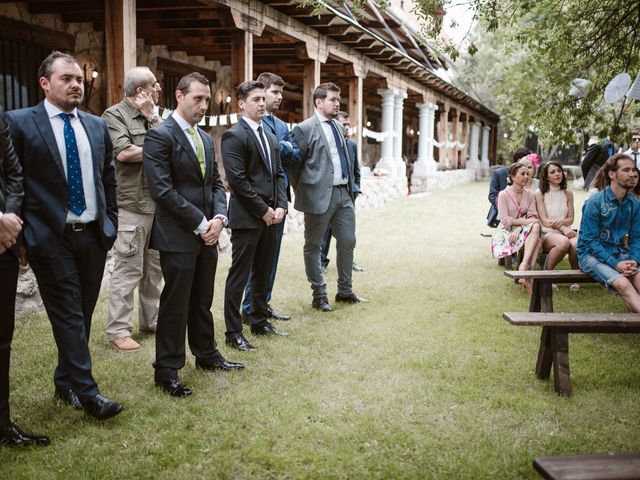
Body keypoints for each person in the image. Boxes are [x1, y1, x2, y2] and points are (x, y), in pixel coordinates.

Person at [6, 51, 123, 420]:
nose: (76, 84)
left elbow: (108, 179)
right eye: (67, 78)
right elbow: (14, 181)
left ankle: (64, 382)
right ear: (45, 83)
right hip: (49, 237)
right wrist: (21, 234)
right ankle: (89, 394)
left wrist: (112, 222)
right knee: (69, 314)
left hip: (93, 234)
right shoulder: (20, 123)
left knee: (83, 312)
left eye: (79, 79)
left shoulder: (95, 126)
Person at [143, 72, 243, 398]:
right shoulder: (160, 136)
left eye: (206, 99)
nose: (204, 105)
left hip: (208, 234)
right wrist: (200, 223)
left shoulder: (204, 137)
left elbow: (215, 183)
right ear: (179, 95)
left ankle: (206, 354)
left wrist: (219, 218)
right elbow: (162, 190)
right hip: (177, 235)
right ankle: (167, 370)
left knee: (202, 299)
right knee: (175, 303)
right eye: (197, 98)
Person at [221, 81, 289, 351]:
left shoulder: (271, 136)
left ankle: (259, 320)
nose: (262, 103)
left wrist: (281, 205)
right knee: (239, 275)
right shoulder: (234, 136)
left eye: (264, 98)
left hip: (273, 216)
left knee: (263, 272)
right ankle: (233, 332)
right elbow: (237, 181)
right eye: (256, 99)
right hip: (248, 218)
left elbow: (279, 174)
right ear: (241, 104)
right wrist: (263, 211)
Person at [102, 66, 163, 352]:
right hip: (131, 204)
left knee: (154, 269)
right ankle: (118, 331)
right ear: (142, 91)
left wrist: (153, 118)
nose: (159, 89)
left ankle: (151, 321)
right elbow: (124, 153)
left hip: (158, 204)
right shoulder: (113, 115)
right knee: (128, 268)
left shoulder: (154, 116)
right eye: (155, 85)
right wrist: (159, 147)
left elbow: (173, 143)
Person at [291, 83, 366, 312]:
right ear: (319, 102)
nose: (337, 103)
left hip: (344, 194)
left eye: (338, 99)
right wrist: (306, 189)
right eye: (333, 99)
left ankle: (345, 290)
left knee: (347, 240)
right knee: (313, 245)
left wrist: (351, 189)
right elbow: (295, 165)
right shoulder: (304, 129)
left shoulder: (337, 126)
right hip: (318, 196)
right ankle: (319, 295)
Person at [0, 107, 50, 446]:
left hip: (3, 239)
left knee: (2, 338)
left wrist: (9, 219)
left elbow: (14, 172)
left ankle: (2, 423)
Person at [240, 72, 300, 323]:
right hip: (257, 200)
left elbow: (295, 155)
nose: (279, 98)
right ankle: (248, 306)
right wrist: (282, 147)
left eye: (280, 94)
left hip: (280, 199)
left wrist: (281, 146)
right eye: (275, 92)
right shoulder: (251, 122)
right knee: (254, 257)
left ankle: (263, 302)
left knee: (271, 256)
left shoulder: (282, 125)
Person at [578, 154, 640, 311]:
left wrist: (635, 260)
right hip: (590, 255)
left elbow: (636, 237)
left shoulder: (634, 203)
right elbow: (589, 241)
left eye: (634, 170)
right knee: (623, 284)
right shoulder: (595, 202)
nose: (632, 174)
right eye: (626, 170)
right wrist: (615, 264)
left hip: (620, 252)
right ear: (612, 174)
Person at [320, 111, 363, 273]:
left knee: (347, 232)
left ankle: (348, 261)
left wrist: (355, 190)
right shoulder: (327, 144)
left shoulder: (352, 145)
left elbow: (355, 170)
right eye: (343, 124)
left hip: (347, 194)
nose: (346, 128)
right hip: (328, 194)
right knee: (325, 230)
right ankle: (322, 262)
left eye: (348, 125)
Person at [490, 163, 542, 294]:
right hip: (506, 232)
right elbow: (505, 221)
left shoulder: (530, 195)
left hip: (523, 230)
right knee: (538, 240)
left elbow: (534, 217)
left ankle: (523, 267)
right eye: (522, 174)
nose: (526, 176)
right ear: (512, 177)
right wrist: (522, 224)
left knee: (536, 226)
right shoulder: (503, 194)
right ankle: (528, 272)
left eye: (527, 174)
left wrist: (519, 227)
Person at [535, 161, 580, 290]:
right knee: (563, 243)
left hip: (566, 230)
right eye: (553, 172)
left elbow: (570, 219)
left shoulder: (568, 193)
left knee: (577, 245)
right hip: (547, 232)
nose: (557, 174)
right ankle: (547, 277)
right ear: (546, 176)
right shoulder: (540, 193)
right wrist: (562, 227)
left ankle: (575, 280)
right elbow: (544, 220)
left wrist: (565, 227)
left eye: (559, 171)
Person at [487, 147, 531, 228]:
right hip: (501, 215)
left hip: (525, 219)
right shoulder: (499, 173)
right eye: (526, 160)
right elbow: (492, 196)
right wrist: (506, 208)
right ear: (518, 160)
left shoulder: (529, 179)